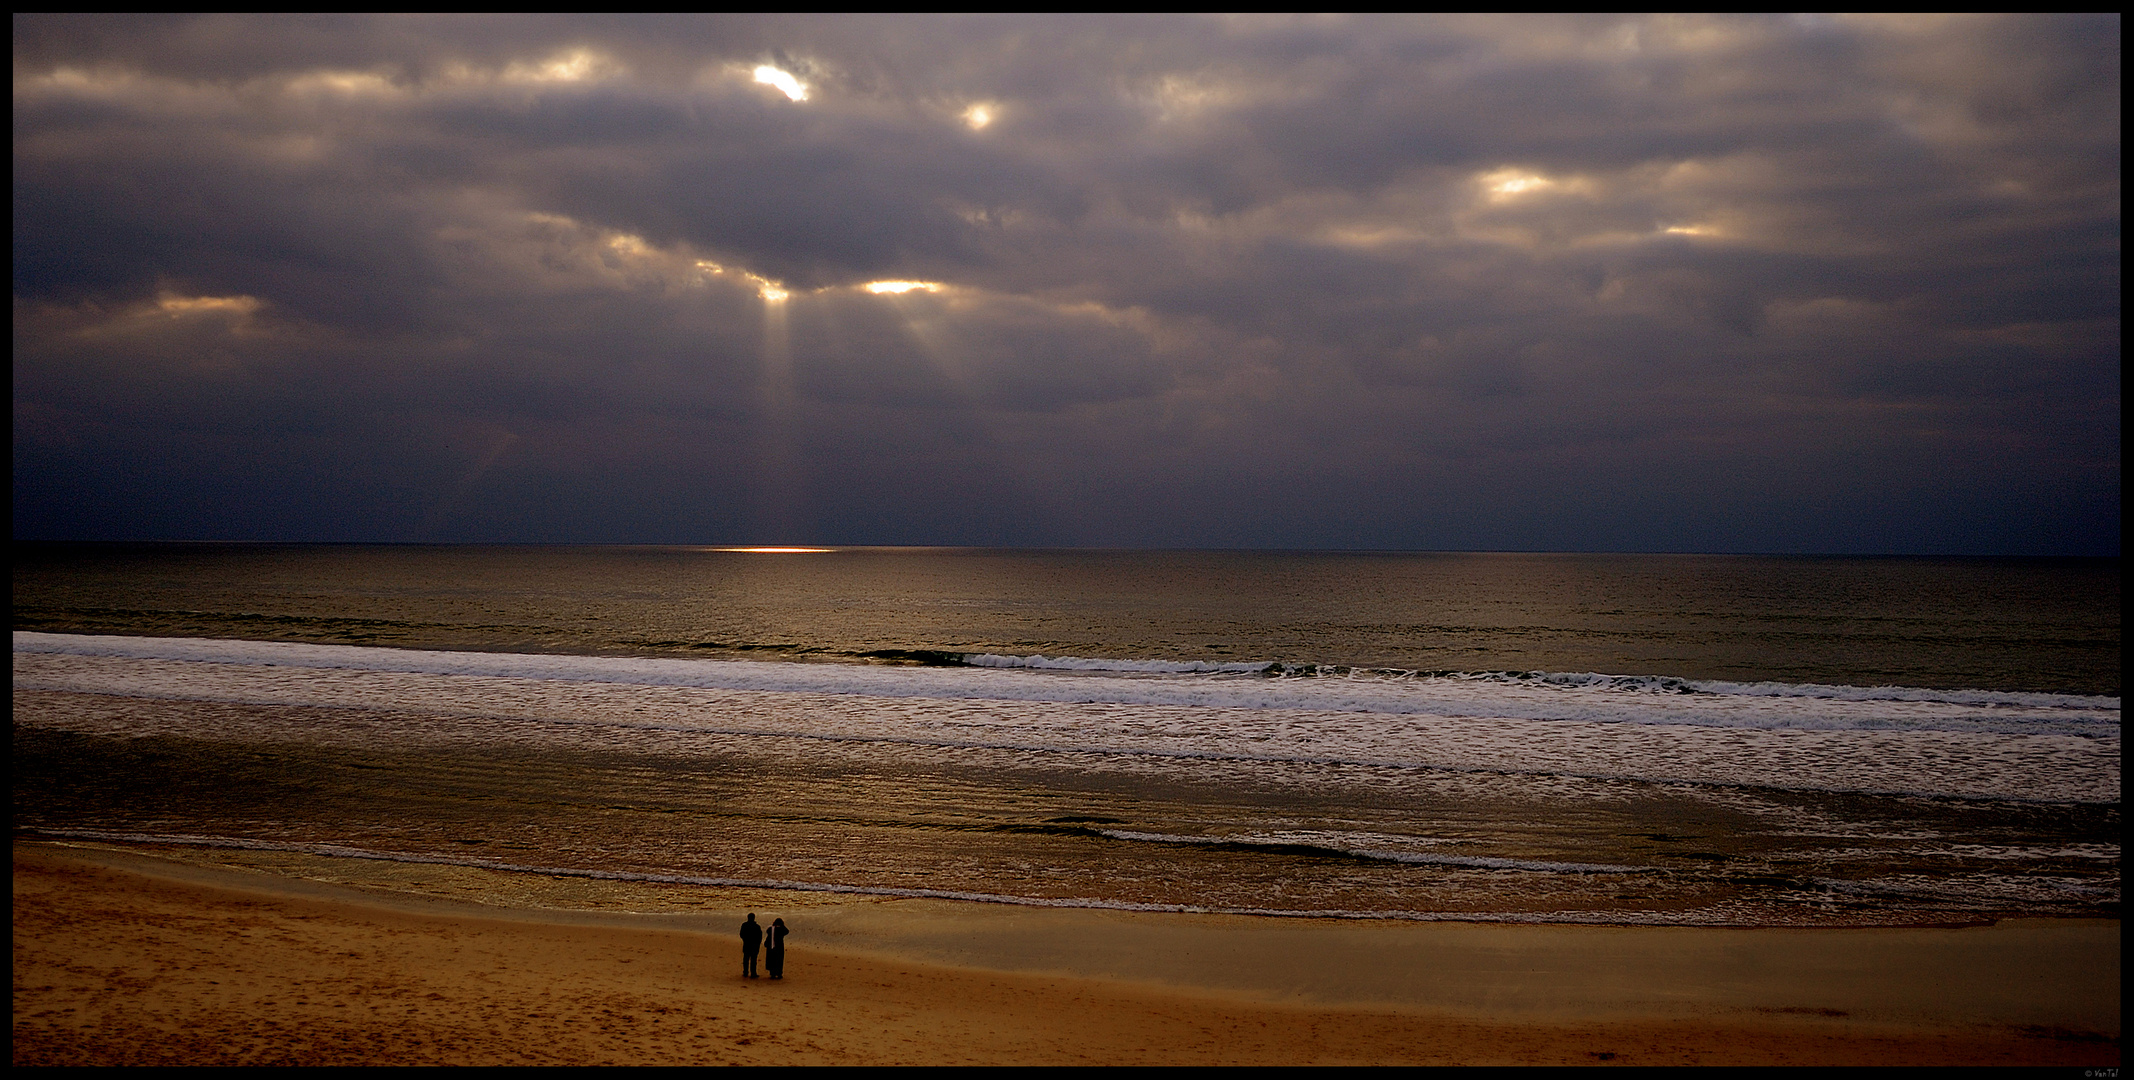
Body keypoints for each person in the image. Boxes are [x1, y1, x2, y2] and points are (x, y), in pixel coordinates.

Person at [740, 912, 763, 978]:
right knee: (753, 959)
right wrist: (758, 943)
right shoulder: (757, 926)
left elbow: (741, 934)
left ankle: (745, 972)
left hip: (747, 944)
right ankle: (753, 973)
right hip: (754, 945)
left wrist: (745, 939)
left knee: (746, 959)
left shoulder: (744, 925)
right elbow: (760, 936)